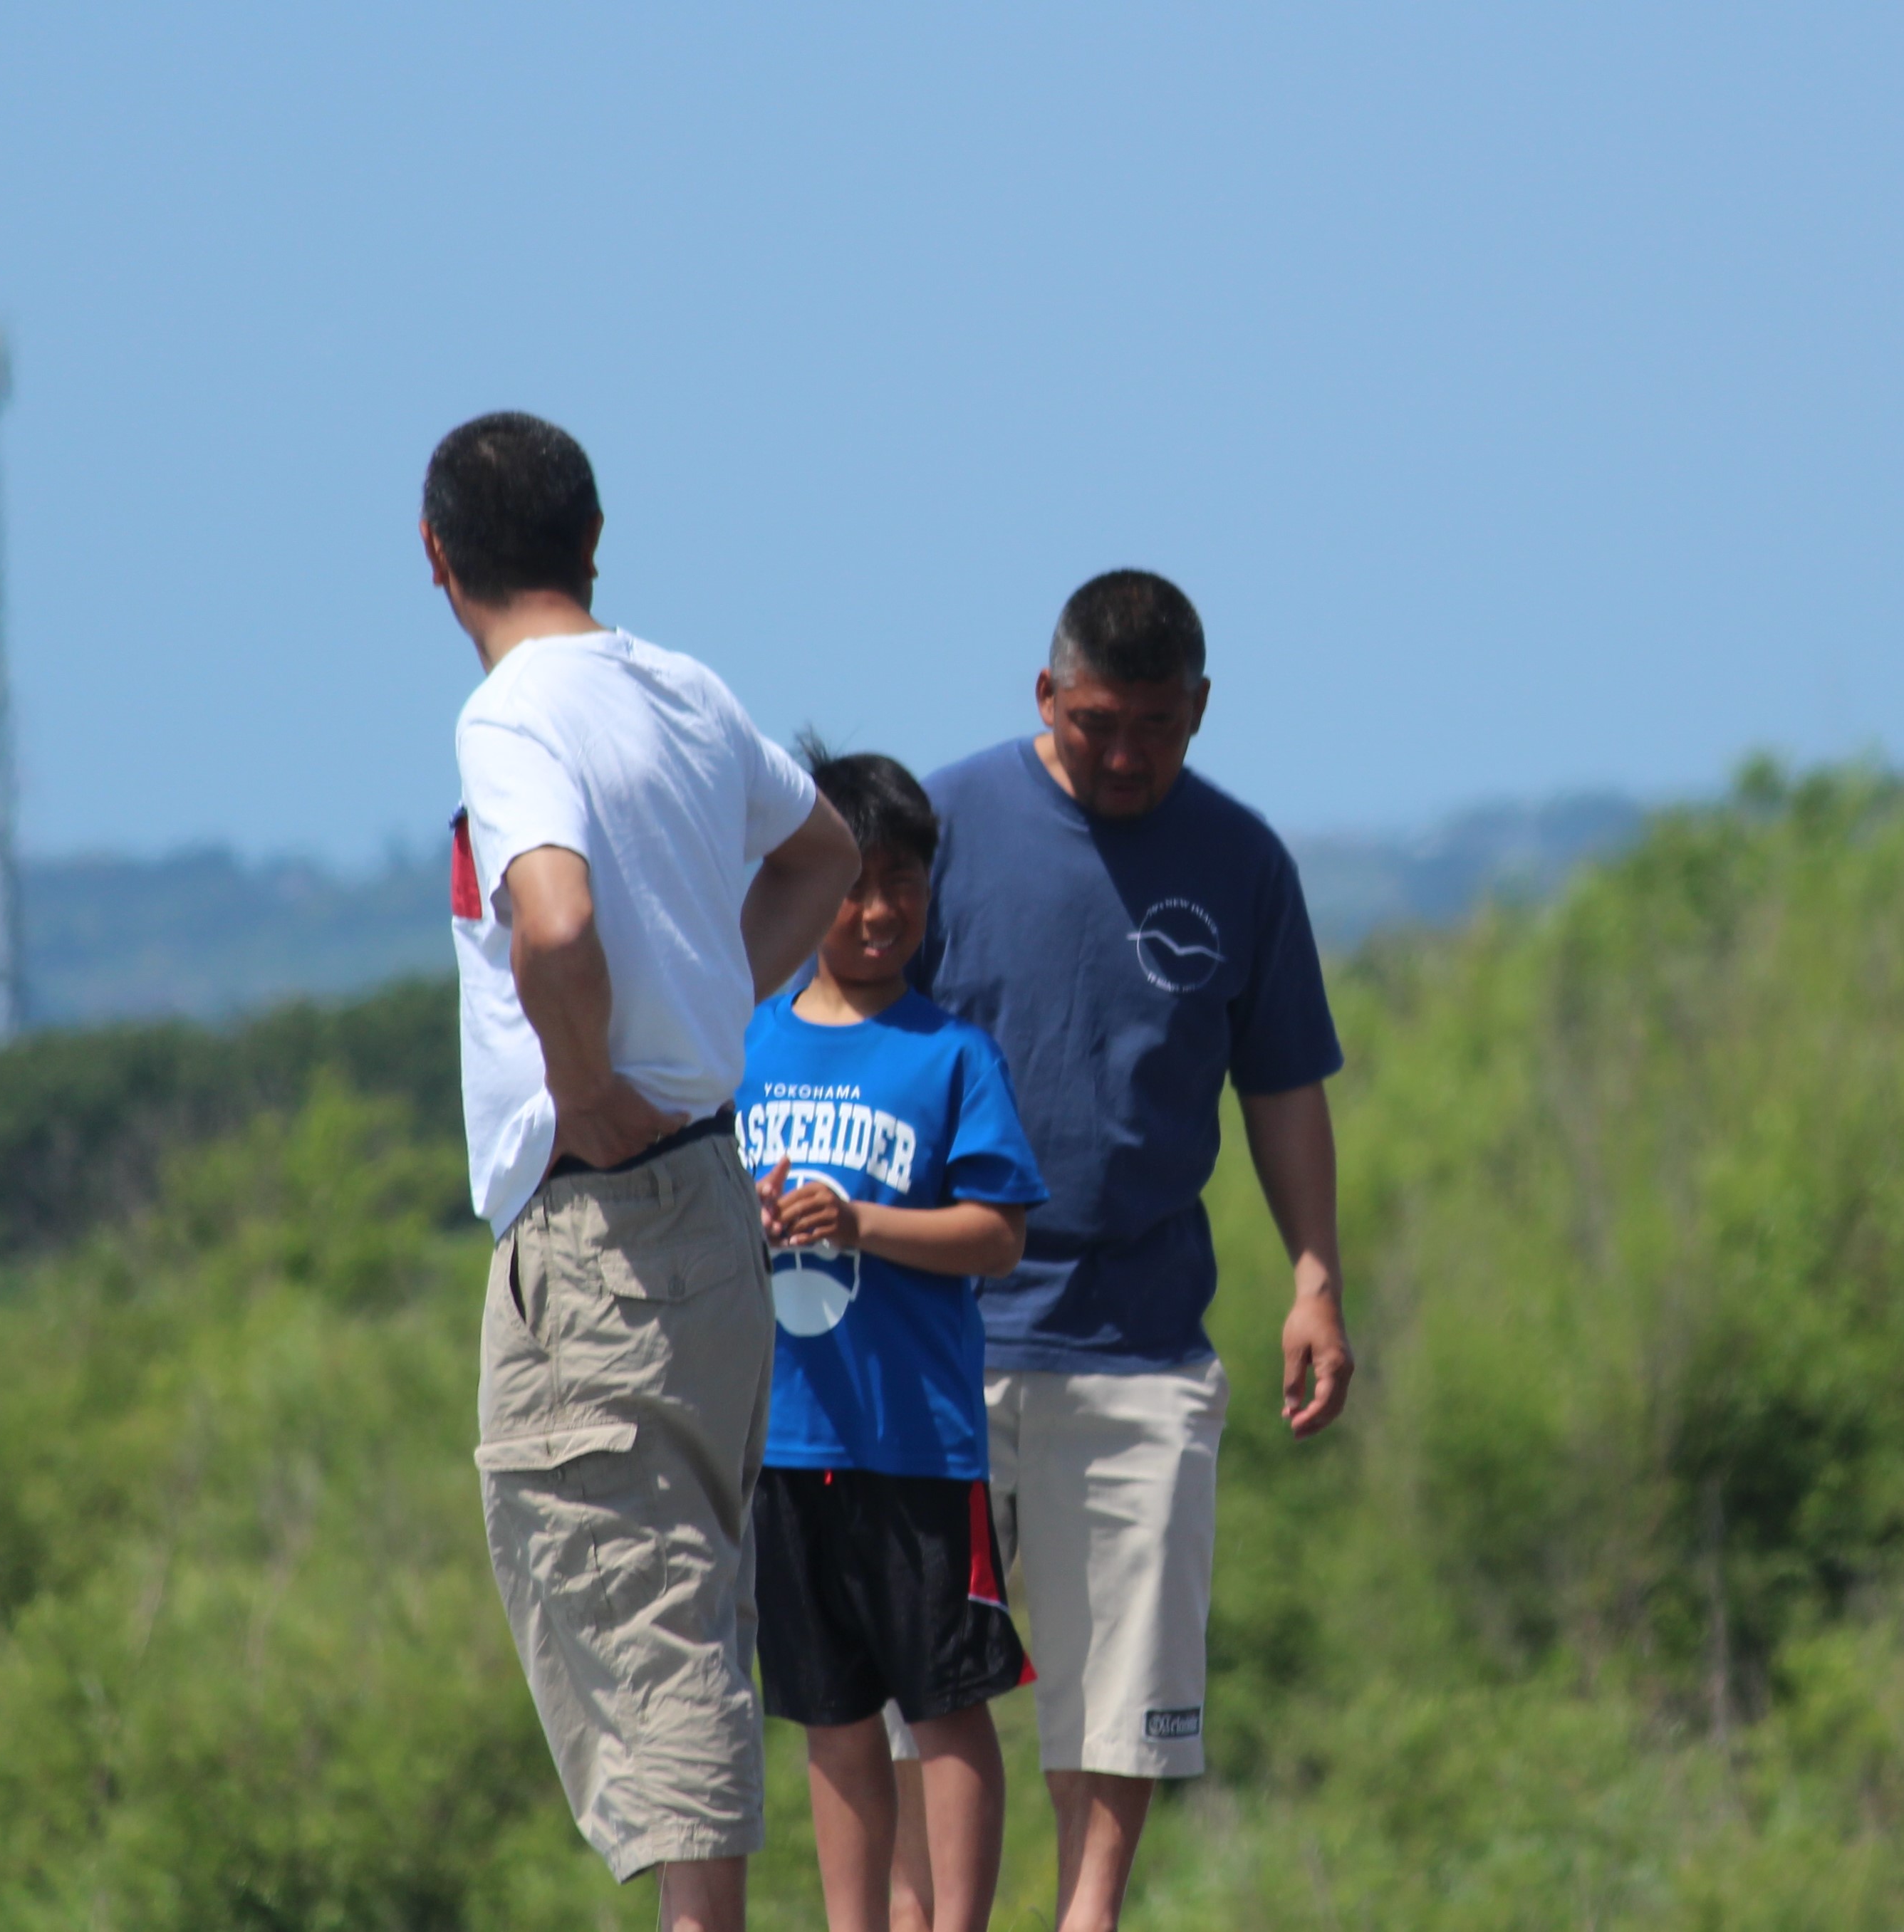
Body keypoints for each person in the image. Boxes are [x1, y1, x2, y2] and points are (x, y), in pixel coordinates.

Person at [426, 410, 860, 1932]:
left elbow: (550, 920)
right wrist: (702, 1016)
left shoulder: (511, 716)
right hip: (707, 1202)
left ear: (438, 562)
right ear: (593, 542)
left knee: (649, 1620)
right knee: (685, 1605)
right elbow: (823, 852)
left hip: (605, 1222)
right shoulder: (680, 686)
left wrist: (590, 1077)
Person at [903, 568, 1356, 1932]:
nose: (1124, 754)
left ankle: (1087, 1916)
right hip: (937, 1337)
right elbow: (850, 1034)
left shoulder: (1242, 862)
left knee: (1128, 1685)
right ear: (1045, 696)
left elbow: (1280, 1083)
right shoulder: (941, 828)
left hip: (1142, 1339)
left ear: (1200, 711)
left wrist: (1315, 1277)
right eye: (1097, 721)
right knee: (931, 1677)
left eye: (1155, 725)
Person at [737, 743, 1049, 1932]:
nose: (877, 911)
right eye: (853, 882)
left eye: (904, 882)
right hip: (787, 1440)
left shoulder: (951, 1052)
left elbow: (998, 1234)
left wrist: (860, 1218)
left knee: (946, 1704)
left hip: (919, 1445)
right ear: (799, 883)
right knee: (829, 1713)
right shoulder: (745, 1042)